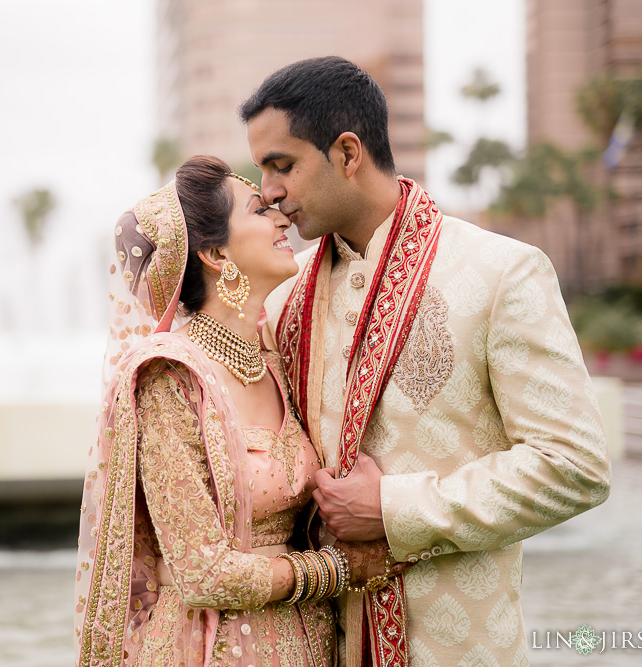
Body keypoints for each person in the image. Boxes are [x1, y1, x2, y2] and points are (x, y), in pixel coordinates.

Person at [240, 56, 612, 667]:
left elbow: (575, 466)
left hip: (458, 650)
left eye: (283, 165)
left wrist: (393, 508)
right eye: (263, 170)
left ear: (348, 153)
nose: (269, 192)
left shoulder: (500, 274)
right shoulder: (283, 301)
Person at [75, 156, 410, 666]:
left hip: (304, 643)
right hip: (209, 648)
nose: (281, 218)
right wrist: (337, 571)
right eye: (258, 210)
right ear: (214, 252)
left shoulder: (276, 358)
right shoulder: (170, 379)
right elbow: (202, 571)